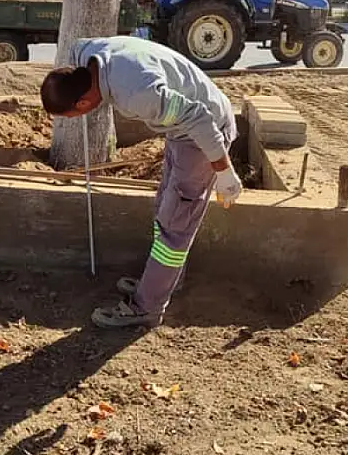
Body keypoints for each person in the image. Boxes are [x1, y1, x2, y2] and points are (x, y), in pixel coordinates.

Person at [40, 36, 243, 328]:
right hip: (181, 130)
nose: (74, 119)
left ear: (83, 102)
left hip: (204, 133)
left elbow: (198, 119)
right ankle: (162, 284)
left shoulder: (138, 94)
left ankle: (146, 308)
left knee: (175, 228)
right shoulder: (89, 56)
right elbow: (76, 46)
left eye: (71, 115)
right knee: (166, 208)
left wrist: (224, 172)